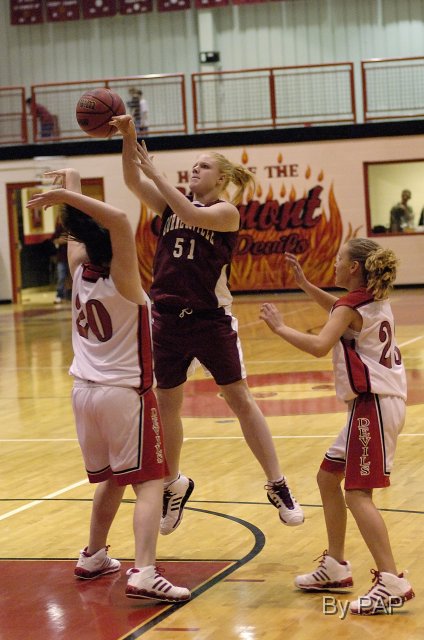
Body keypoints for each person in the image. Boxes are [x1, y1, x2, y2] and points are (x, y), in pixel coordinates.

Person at [110, 114, 304, 536]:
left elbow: (185, 210)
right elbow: (130, 179)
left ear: (221, 179)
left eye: (204, 166)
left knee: (239, 398)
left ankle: (277, 483)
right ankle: (174, 484)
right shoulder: (171, 204)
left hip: (210, 319)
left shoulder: (225, 212)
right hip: (166, 319)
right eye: (193, 165)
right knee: (167, 405)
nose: (195, 170)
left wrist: (155, 172)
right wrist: (128, 137)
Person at [26, 168, 190, 604]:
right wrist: (68, 195)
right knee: (151, 481)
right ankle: (145, 572)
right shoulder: (126, 283)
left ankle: (94, 555)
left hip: (83, 392)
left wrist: (71, 185)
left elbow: (83, 234)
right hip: (123, 394)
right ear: (118, 250)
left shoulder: (79, 272)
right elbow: (117, 218)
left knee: (114, 479)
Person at [259, 240, 415, 615]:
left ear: (354, 268)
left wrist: (280, 327)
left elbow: (319, 345)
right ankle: (335, 566)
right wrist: (305, 285)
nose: (334, 262)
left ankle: (391, 580)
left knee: (358, 494)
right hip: (376, 404)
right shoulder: (371, 300)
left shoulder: (351, 306)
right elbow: (338, 309)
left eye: (339, 258)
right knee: (328, 477)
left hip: (373, 406)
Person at [51, 218, 70, 304]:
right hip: (62, 257)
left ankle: (70, 296)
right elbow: (54, 240)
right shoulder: (60, 227)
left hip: (73, 257)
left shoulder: (75, 226)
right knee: (61, 277)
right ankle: (59, 295)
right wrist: (61, 241)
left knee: (73, 278)